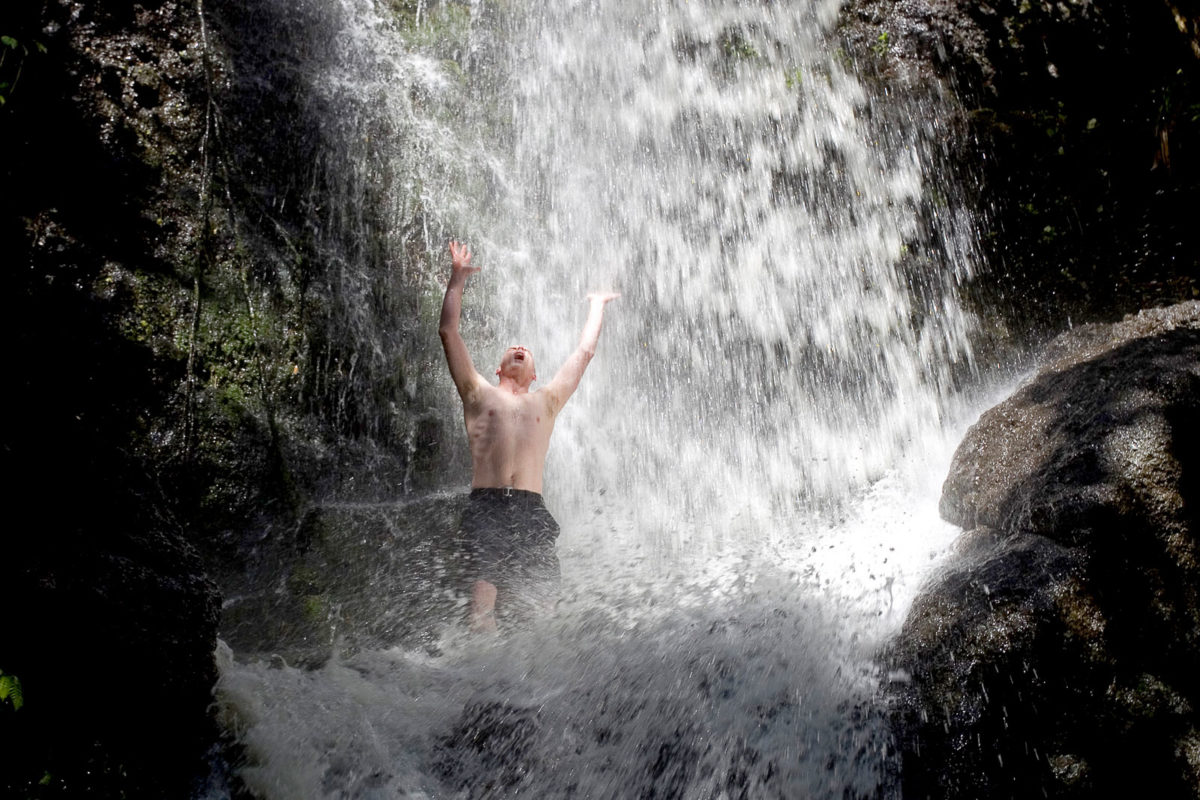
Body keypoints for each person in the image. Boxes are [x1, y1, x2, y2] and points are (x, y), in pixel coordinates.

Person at [439, 240, 618, 632]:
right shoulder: (477, 393)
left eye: (526, 350)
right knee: (483, 596)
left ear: (535, 373)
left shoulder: (547, 401)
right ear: (499, 367)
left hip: (531, 510)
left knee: (542, 604)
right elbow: (449, 332)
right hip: (486, 507)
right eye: (511, 349)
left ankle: (538, 679)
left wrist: (597, 305)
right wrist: (457, 278)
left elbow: (583, 353)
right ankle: (480, 668)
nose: (519, 348)